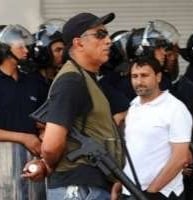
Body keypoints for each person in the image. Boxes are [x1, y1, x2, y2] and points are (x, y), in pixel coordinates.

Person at [22, 12, 124, 200]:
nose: (109, 41)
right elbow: (51, 146)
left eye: (108, 35)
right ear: (79, 43)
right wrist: (48, 164)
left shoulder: (86, 79)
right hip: (78, 188)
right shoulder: (71, 81)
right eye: (100, 35)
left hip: (90, 186)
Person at [112, 56, 192, 200]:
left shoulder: (175, 109)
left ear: (158, 77)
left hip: (163, 193)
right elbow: (133, 152)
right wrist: (120, 183)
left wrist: (152, 192)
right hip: (131, 191)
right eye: (134, 76)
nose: (139, 81)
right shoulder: (134, 106)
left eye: (145, 75)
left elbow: (180, 158)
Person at [0, 24, 47, 200]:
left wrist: (43, 133)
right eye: (20, 46)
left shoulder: (33, 82)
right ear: (4, 49)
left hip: (33, 164)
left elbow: (45, 120)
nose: (26, 50)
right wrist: (24, 137)